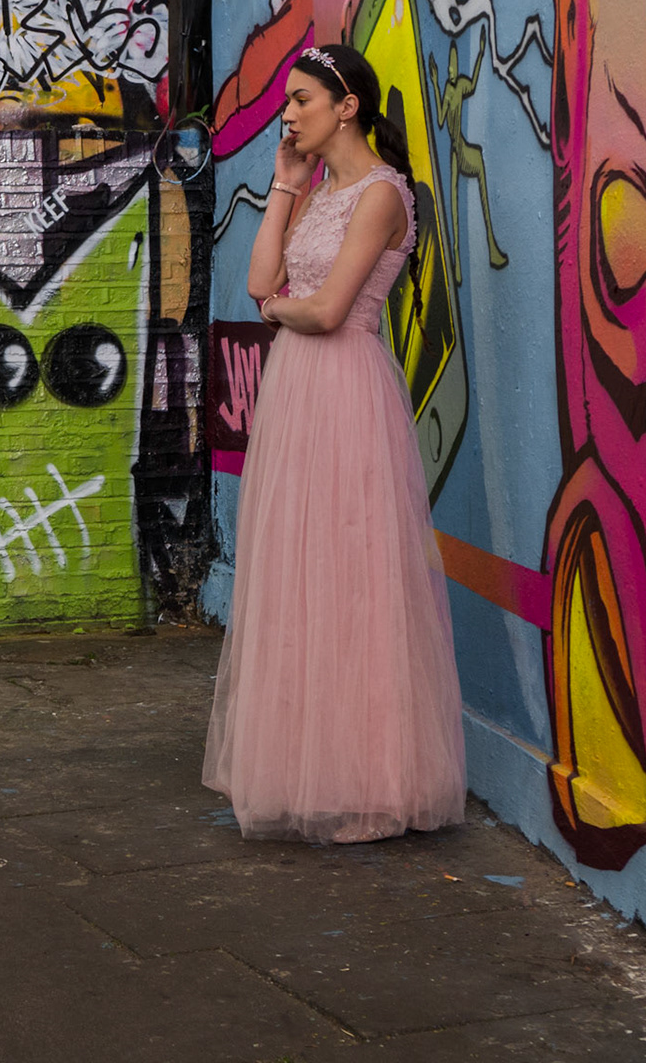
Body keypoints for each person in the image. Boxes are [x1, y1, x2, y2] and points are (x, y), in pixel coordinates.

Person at [202, 42, 465, 843]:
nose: (287, 115)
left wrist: (286, 308)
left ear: (347, 106)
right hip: (297, 392)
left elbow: (322, 310)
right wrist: (283, 186)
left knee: (356, 578)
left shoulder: (382, 195)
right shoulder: (317, 190)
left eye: (302, 101)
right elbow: (257, 283)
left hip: (345, 386)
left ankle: (378, 786)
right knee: (301, 573)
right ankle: (321, 768)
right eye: (286, 103)